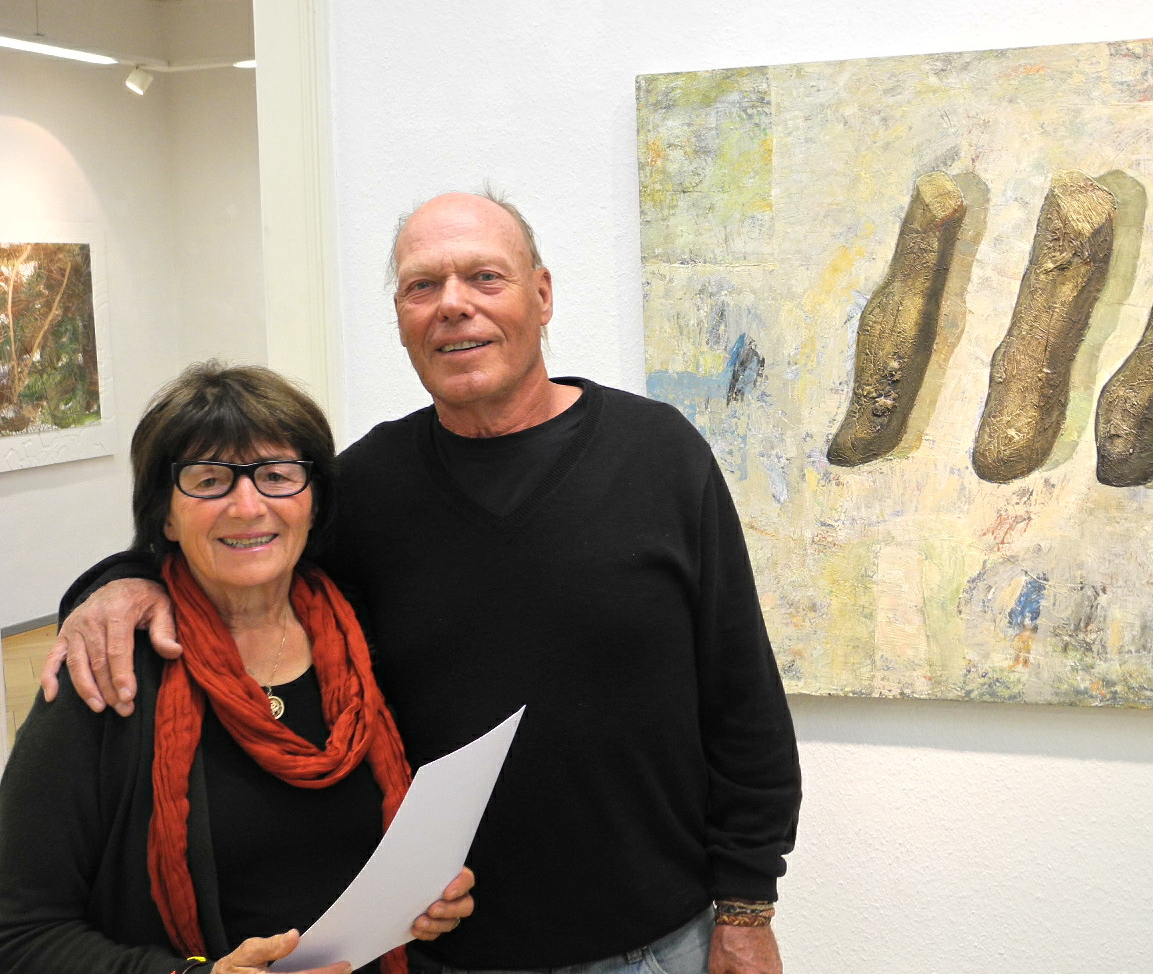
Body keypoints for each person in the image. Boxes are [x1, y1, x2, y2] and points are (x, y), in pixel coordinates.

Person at [44, 191, 802, 974]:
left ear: (542, 295)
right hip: (445, 953)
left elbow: (741, 694)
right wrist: (121, 580)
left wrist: (747, 906)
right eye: (422, 286)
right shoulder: (364, 489)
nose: (453, 305)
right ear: (402, 318)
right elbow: (239, 543)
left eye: (485, 277)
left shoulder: (659, 455)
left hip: (662, 944)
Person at [0, 362, 474, 974]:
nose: (247, 506)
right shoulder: (106, 672)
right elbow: (19, 933)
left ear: (314, 502)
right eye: (210, 480)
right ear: (165, 516)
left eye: (276, 475)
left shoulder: (365, 637)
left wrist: (424, 897)